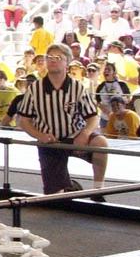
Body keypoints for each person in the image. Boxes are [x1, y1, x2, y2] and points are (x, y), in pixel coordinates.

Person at [16, 43, 108, 198]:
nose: (53, 60)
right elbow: (23, 121)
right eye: (50, 57)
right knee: (54, 196)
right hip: (50, 142)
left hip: (75, 135)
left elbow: (93, 116)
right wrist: (40, 135)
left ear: (67, 62)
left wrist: (85, 133)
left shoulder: (77, 88)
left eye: (58, 57)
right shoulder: (35, 89)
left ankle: (98, 190)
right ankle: (68, 187)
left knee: (101, 143)